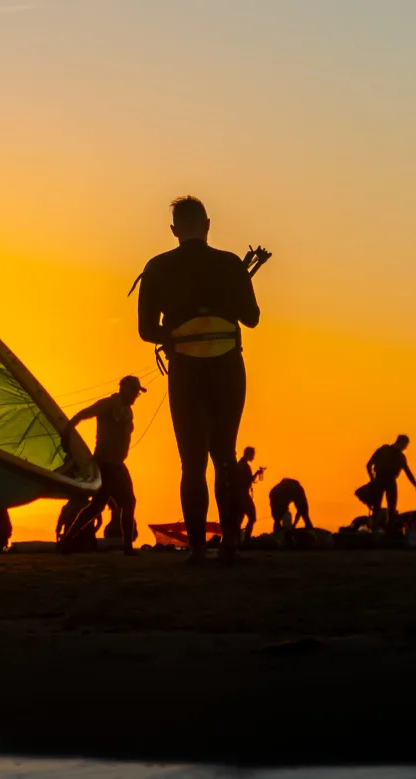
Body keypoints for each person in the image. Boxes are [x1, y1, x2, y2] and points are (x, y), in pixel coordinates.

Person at [136, 196, 265, 565]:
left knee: (190, 462)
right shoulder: (229, 265)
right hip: (227, 367)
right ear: (207, 224)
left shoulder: (157, 268)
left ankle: (195, 549)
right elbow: (252, 318)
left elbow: (147, 330)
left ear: (174, 230)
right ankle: (229, 544)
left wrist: (177, 334)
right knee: (225, 455)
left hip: (185, 371)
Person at [58, 375, 147, 555]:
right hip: (107, 464)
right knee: (128, 502)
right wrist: (66, 436)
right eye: (133, 392)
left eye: (137, 393)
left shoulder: (127, 411)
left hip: (115, 463)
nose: (134, 396)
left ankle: (66, 541)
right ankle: (128, 547)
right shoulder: (107, 405)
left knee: (96, 507)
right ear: (123, 389)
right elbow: (80, 415)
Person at [360, 435, 416, 527]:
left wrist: (415, 485)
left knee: (391, 507)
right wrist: (372, 479)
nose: (405, 448)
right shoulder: (384, 450)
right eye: (405, 445)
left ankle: (389, 528)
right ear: (400, 443)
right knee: (378, 506)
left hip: (388, 481)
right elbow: (369, 465)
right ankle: (376, 528)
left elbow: (408, 472)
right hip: (380, 480)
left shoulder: (400, 457)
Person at [235, 447, 267, 540]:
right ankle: (246, 539)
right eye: (252, 454)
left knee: (239, 519)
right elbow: (248, 481)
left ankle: (238, 540)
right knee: (252, 517)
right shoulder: (244, 466)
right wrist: (257, 474)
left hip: (240, 495)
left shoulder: (240, 464)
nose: (253, 457)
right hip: (243, 495)